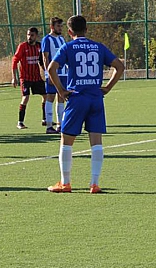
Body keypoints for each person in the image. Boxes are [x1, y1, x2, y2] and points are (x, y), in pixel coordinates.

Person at [46, 15, 125, 194]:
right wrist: (107, 88)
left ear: (69, 31)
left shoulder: (68, 47)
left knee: (66, 142)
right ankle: (94, 183)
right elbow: (119, 67)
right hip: (95, 98)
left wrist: (61, 91)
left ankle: (65, 183)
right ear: (86, 29)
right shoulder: (98, 47)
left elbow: (51, 68)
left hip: (77, 98)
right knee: (96, 141)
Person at [12, 27, 46, 129]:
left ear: (36, 36)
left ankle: (45, 119)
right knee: (25, 97)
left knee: (46, 96)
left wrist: (47, 72)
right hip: (25, 78)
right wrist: (14, 77)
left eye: (32, 35)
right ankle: (20, 122)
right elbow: (15, 61)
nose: (29, 37)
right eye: (28, 35)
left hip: (36, 77)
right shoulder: (23, 46)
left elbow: (41, 61)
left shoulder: (39, 46)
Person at [42, 17, 67, 134]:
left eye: (61, 26)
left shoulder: (62, 39)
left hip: (63, 73)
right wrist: (48, 74)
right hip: (53, 73)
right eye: (58, 26)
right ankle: (48, 125)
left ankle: (60, 125)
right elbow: (45, 58)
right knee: (50, 97)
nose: (60, 28)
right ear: (52, 27)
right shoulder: (47, 39)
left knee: (61, 97)